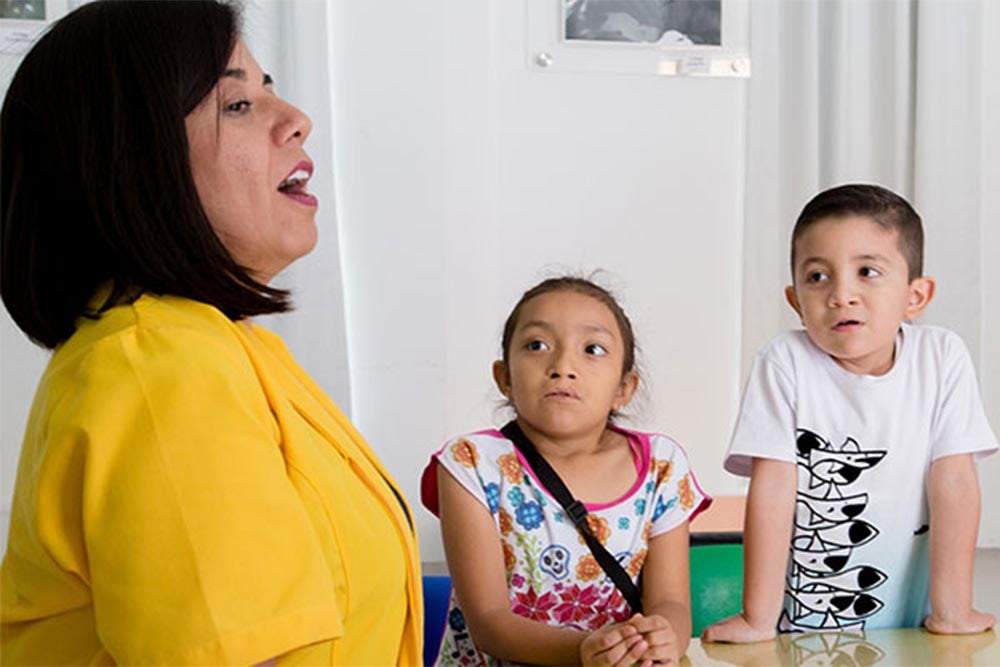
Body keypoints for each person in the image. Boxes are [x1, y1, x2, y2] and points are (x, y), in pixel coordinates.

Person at [0, 2, 421, 664]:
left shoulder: (221, 346)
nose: (297, 121)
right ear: (137, 159)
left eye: (269, 89)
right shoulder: (158, 365)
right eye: (237, 105)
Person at [702, 184, 998, 642]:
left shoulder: (941, 356)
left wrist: (953, 610)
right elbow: (773, 488)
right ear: (796, 300)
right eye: (818, 277)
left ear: (914, 296)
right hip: (804, 627)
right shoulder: (784, 362)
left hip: (912, 624)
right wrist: (757, 618)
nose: (842, 294)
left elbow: (954, 479)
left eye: (867, 272)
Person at [420, 276, 711, 665]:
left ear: (624, 388)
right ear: (504, 377)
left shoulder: (661, 466)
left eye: (592, 349)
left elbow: (670, 601)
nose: (562, 366)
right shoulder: (472, 463)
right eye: (537, 345)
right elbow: (489, 622)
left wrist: (665, 638)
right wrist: (582, 651)